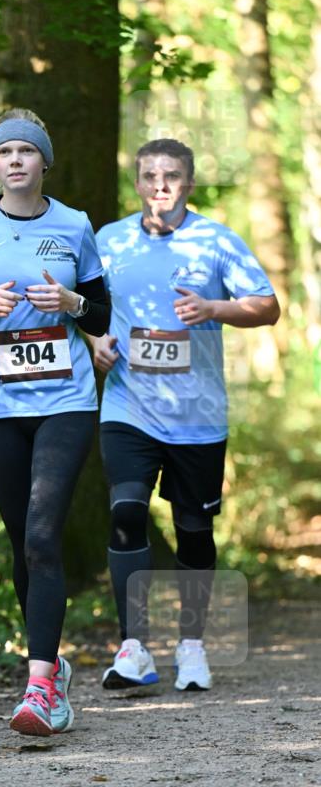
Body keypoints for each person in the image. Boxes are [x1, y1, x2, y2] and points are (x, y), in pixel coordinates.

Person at [0, 108, 111, 736]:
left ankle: (38, 691)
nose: (14, 161)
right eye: (4, 152)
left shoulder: (75, 225)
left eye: (25, 152)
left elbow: (101, 312)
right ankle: (52, 665)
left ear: (43, 162)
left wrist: (72, 302)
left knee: (41, 535)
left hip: (66, 402)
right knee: (21, 548)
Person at [91, 138, 280, 693]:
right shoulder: (109, 241)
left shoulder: (217, 241)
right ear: (138, 183)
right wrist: (96, 341)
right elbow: (88, 306)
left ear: (189, 184)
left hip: (197, 414)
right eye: (150, 175)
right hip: (128, 404)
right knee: (126, 511)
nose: (160, 185)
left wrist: (214, 308)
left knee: (194, 531)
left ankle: (191, 646)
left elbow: (267, 306)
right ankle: (134, 648)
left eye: (171, 175)